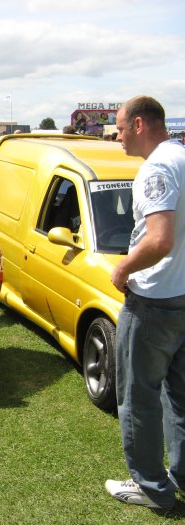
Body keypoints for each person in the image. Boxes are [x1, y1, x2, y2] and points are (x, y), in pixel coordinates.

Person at [105, 96, 185, 511]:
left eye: (119, 128)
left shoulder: (156, 166)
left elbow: (160, 239)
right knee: (180, 397)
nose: (116, 136)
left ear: (139, 124)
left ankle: (152, 488)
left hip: (154, 299)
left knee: (139, 397)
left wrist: (123, 269)